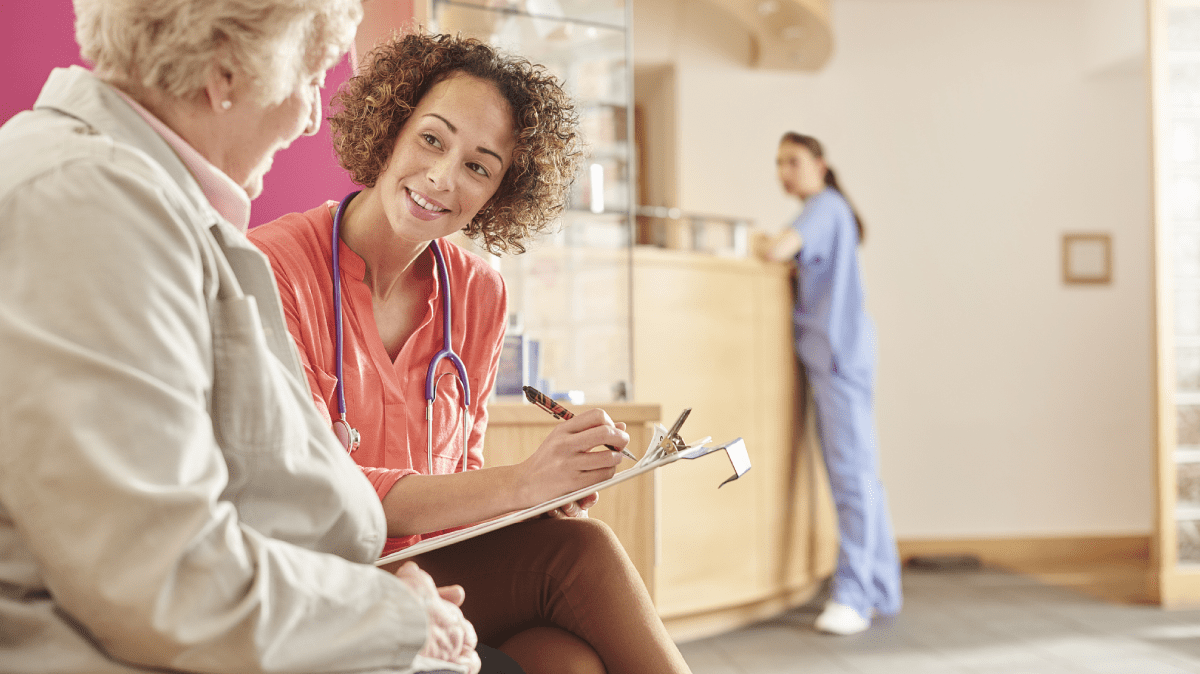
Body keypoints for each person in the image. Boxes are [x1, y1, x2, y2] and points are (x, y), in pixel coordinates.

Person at [0, 2, 487, 673]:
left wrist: (382, 601)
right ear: (227, 73)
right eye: (311, 79)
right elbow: (163, 576)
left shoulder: (141, 202)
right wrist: (392, 616)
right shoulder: (86, 205)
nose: (313, 115)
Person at [248, 31, 693, 674]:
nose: (442, 177)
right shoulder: (272, 269)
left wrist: (531, 500)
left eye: (479, 166)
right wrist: (519, 482)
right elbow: (318, 493)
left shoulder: (480, 293)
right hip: (319, 574)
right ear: (392, 127)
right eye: (432, 139)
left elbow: (462, 469)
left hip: (432, 569)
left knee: (566, 661)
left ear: (499, 193)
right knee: (581, 554)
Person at [760, 132, 903, 635]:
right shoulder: (830, 208)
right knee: (861, 475)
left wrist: (760, 243)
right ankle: (881, 587)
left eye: (793, 161)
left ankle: (854, 597)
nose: (784, 172)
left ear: (820, 165)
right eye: (779, 163)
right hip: (841, 357)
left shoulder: (823, 207)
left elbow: (780, 250)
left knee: (852, 479)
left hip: (839, 358)